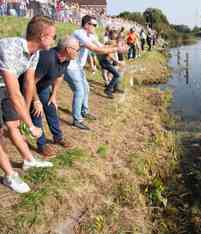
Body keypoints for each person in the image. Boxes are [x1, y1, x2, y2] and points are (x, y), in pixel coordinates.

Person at [0, 16, 55, 193]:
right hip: (7, 86)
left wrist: (26, 114)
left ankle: (28, 160)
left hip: (5, 86)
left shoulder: (35, 53)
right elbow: (15, 94)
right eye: (53, 36)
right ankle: (9, 176)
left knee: (13, 124)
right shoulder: (9, 48)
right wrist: (31, 125)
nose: (54, 40)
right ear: (42, 36)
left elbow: (28, 83)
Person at [22, 36, 79, 158]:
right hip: (29, 87)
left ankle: (58, 137)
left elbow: (59, 76)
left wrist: (53, 95)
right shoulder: (47, 58)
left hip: (42, 87)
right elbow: (30, 81)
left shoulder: (66, 59)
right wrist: (36, 101)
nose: (78, 53)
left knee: (51, 108)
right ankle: (41, 145)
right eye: (77, 50)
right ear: (68, 49)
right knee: (37, 112)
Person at [64, 15, 121, 130]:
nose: (96, 26)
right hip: (70, 66)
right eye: (94, 25)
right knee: (79, 91)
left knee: (86, 88)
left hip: (78, 67)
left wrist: (116, 46)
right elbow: (96, 50)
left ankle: (84, 111)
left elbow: (102, 46)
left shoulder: (92, 35)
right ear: (86, 25)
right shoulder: (79, 33)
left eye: (96, 25)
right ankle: (77, 119)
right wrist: (116, 49)